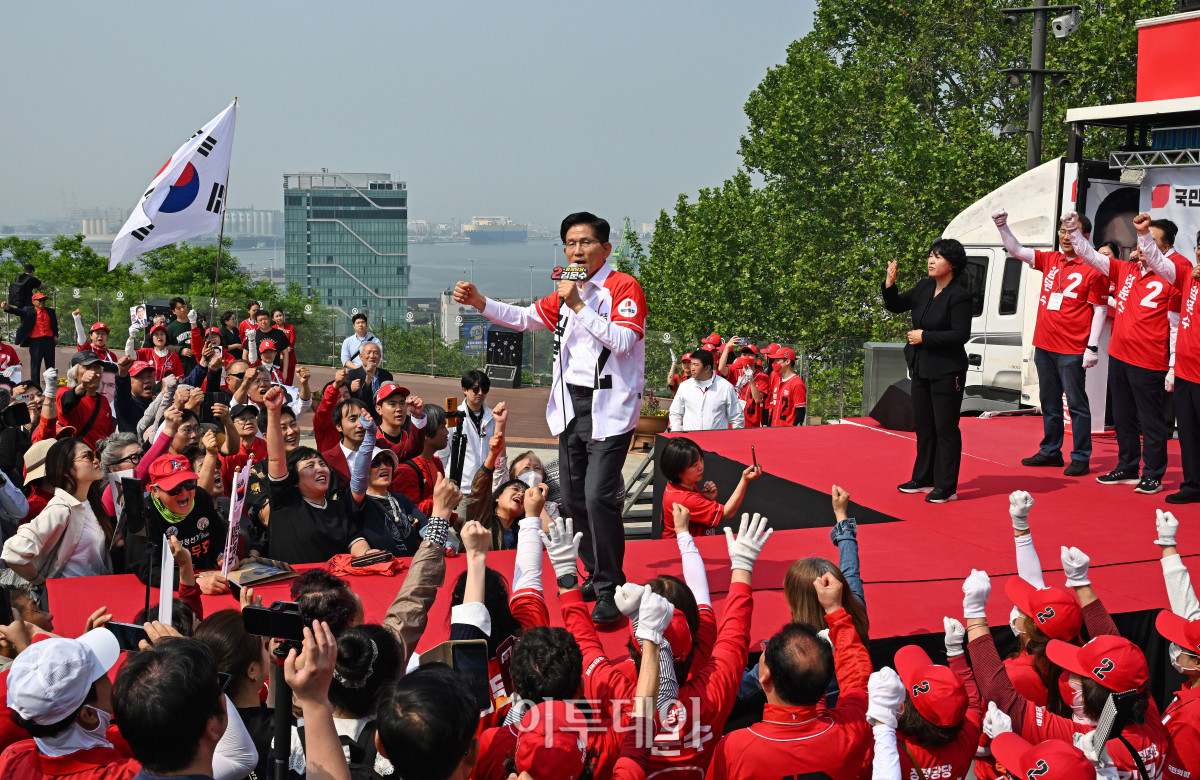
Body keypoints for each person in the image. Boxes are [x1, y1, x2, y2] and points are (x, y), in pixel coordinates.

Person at [454, 211, 647, 623]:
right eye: (570, 244)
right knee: (574, 499)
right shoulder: (564, 291)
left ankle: (611, 587)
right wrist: (480, 302)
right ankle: (594, 572)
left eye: (585, 242)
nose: (577, 250)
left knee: (598, 496)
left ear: (605, 248)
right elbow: (525, 318)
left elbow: (623, 341)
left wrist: (577, 303)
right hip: (570, 407)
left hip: (609, 409)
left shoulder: (621, 286)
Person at [705, 573, 871, 780]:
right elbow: (857, 677)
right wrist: (836, 611)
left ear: (765, 675)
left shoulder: (733, 748)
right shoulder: (852, 730)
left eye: (765, 652)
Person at [1063, 211, 1182, 494]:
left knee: (1150, 421)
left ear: (1165, 247)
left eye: (1150, 240)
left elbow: (1176, 325)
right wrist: (1073, 231)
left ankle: (1153, 474)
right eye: (1141, 240)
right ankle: (1127, 466)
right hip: (1119, 355)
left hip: (1149, 360)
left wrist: (1173, 364)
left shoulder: (1175, 272)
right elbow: (1091, 257)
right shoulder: (1128, 269)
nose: (1143, 245)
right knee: (1123, 417)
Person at [992, 209, 1107, 476]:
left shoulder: (1095, 267)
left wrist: (1092, 346)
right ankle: (1051, 451)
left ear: (1086, 236)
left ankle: (1081, 456)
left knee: (1076, 404)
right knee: (1049, 401)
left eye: (1072, 232)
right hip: (1044, 345)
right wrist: (1002, 226)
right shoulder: (1052, 259)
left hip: (1072, 348)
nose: (1066, 237)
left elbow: (1100, 309)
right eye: (1063, 231)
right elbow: (1017, 250)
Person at [883, 239, 972, 503]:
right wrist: (889, 283)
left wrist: (925, 336)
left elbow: (961, 335)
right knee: (924, 426)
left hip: (947, 371)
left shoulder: (959, 295)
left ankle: (946, 486)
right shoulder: (924, 287)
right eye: (931, 255)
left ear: (952, 264)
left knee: (945, 428)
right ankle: (923, 478)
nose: (931, 260)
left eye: (938, 257)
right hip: (921, 367)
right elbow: (895, 305)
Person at [263, 385, 372, 564]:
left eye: (322, 464)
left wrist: (369, 555)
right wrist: (273, 411)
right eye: (310, 466)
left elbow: (355, 540)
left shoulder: (338, 508)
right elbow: (276, 459)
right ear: (294, 479)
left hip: (333, 579)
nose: (320, 469)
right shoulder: (285, 503)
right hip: (292, 579)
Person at [1, 437, 112, 590]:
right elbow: (12, 553)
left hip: (98, 591)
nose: (96, 460)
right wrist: (43, 584)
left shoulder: (90, 504)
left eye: (95, 454)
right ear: (65, 470)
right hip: (72, 596)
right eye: (87, 456)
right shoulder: (60, 509)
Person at [659, 437, 760, 537]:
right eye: (695, 465)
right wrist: (745, 480)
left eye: (701, 460)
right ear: (677, 470)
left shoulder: (679, 485)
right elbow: (727, 513)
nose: (701, 467)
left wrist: (706, 500)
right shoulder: (685, 499)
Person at [438, 370, 495, 499]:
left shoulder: (492, 417)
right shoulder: (453, 416)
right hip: (460, 488)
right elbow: (442, 453)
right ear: (465, 389)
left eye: (484, 389)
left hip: (485, 489)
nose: (480, 393)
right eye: (475, 389)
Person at [668, 349, 743, 431]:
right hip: (690, 438)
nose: (692, 368)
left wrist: (735, 436)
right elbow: (675, 413)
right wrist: (677, 432)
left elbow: (737, 417)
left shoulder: (725, 387)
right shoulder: (685, 386)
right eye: (691, 364)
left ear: (707, 368)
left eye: (696, 365)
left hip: (716, 438)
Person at [56, 352, 115, 448]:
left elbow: (109, 436)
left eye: (96, 367)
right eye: (87, 367)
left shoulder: (103, 400)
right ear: (74, 374)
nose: (93, 372)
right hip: (76, 455)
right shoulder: (64, 391)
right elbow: (67, 402)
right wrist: (83, 385)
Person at [3, 292, 58, 378]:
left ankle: (51, 383)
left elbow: (54, 325)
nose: (42, 302)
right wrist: (8, 308)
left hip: (49, 341)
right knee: (35, 366)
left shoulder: (50, 311)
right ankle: (35, 385)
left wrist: (56, 335)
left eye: (44, 300)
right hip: (36, 342)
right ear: (33, 302)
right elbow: (18, 311)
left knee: (51, 366)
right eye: (39, 300)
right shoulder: (28, 310)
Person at [766, 347, 806, 427]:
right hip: (774, 428)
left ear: (787, 361)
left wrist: (793, 431)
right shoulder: (778, 380)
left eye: (777, 360)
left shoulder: (797, 383)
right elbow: (774, 408)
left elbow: (800, 413)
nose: (774, 363)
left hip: (787, 431)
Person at [344, 342, 392, 407]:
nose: (372, 356)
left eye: (376, 353)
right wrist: (351, 390)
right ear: (361, 357)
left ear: (380, 357)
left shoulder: (386, 375)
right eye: (368, 353)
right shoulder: (351, 375)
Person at [272, 308, 297, 384]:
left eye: (280, 315)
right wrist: (278, 356)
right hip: (276, 360)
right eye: (277, 316)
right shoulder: (272, 329)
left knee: (288, 382)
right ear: (273, 319)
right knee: (276, 382)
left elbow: (291, 343)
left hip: (289, 359)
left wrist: (283, 355)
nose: (279, 318)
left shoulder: (290, 328)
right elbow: (272, 345)